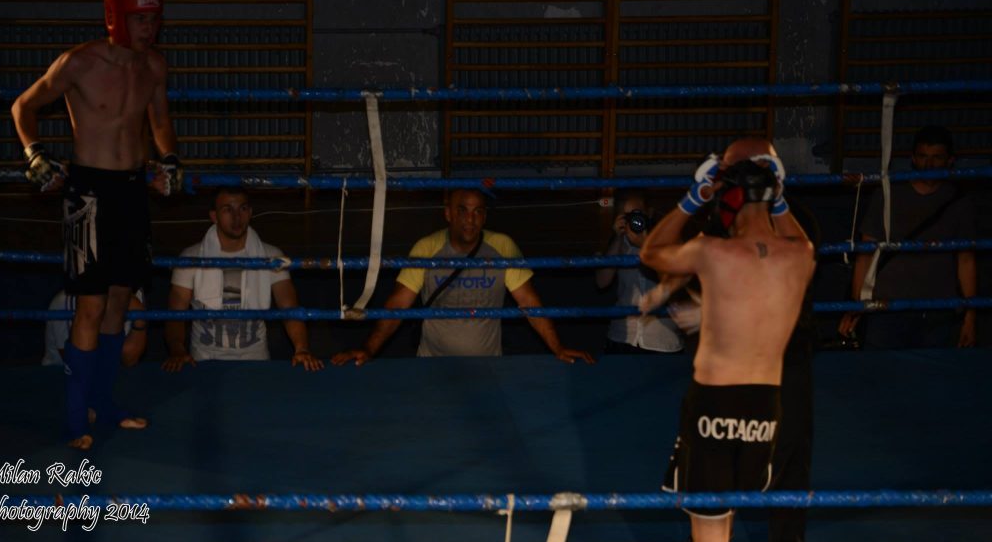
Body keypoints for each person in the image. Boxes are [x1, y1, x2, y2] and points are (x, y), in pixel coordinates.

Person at [10, 0, 181, 449]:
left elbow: (160, 121)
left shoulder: (154, 66)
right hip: (88, 193)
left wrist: (170, 160)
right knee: (90, 305)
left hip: (132, 191)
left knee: (120, 301)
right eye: (141, 19)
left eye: (154, 19)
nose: (150, 28)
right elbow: (23, 106)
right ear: (117, 19)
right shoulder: (80, 62)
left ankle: (103, 403)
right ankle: (74, 419)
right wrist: (34, 153)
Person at [640, 138, 816, 542]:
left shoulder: (711, 251)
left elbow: (651, 252)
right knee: (729, 510)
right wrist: (777, 198)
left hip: (714, 400)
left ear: (730, 200)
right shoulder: (799, 255)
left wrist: (694, 197)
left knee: (710, 525)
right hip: (766, 407)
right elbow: (800, 243)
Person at [331, 188, 595, 364]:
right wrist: (368, 349)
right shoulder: (427, 248)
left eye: (478, 211)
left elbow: (528, 302)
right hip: (432, 366)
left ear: (485, 216)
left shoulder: (502, 247)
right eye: (463, 210)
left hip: (488, 367)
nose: (470, 219)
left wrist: (558, 347)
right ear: (448, 213)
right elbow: (399, 305)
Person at [839, 125, 977, 348]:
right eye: (923, 156)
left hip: (938, 311)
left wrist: (970, 316)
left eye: (936, 158)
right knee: (883, 368)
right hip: (887, 309)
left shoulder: (959, 202)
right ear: (913, 158)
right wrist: (857, 306)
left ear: (950, 160)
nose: (929, 164)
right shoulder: (887, 195)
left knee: (932, 370)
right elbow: (865, 255)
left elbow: (966, 260)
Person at [163, 186, 323, 372]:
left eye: (243, 208)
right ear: (214, 216)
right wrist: (177, 350)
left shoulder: (272, 256)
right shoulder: (190, 258)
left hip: (256, 361)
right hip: (204, 360)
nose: (237, 217)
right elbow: (176, 313)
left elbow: (289, 307)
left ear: (250, 213)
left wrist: (302, 348)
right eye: (227, 210)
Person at [596, 190, 684, 354]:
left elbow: (675, 286)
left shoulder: (669, 239)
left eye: (637, 214)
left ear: (649, 213)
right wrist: (617, 238)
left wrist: (644, 245)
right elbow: (601, 281)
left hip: (662, 339)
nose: (633, 220)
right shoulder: (619, 243)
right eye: (627, 216)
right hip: (622, 337)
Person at [43, 290, 147, 367]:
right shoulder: (66, 300)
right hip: (58, 374)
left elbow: (129, 360)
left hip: (113, 375)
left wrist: (140, 317)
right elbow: (76, 363)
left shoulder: (132, 294)